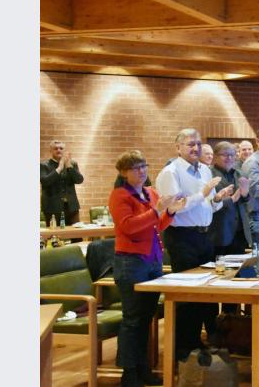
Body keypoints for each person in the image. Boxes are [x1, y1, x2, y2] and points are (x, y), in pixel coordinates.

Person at [155, 128, 234, 360]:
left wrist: (218, 199)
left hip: (204, 234)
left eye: (198, 144)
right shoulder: (170, 173)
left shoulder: (205, 170)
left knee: (207, 292)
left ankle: (202, 342)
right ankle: (183, 348)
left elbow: (207, 204)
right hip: (182, 237)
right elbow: (176, 208)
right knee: (189, 296)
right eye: (190, 144)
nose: (195, 148)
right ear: (177, 147)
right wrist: (204, 193)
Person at [108, 150, 185, 386]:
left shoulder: (150, 192)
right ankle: (128, 372)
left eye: (143, 166)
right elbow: (129, 227)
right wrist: (156, 210)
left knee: (146, 318)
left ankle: (142, 366)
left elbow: (156, 225)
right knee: (132, 319)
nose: (141, 171)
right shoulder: (120, 196)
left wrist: (170, 211)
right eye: (135, 168)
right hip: (130, 262)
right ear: (123, 172)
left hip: (152, 261)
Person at [209, 142, 252, 256]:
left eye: (232, 155)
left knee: (238, 270)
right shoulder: (209, 174)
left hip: (239, 231)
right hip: (219, 232)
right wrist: (232, 198)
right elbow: (209, 204)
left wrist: (245, 194)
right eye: (225, 155)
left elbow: (246, 200)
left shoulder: (239, 173)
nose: (229, 158)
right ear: (215, 156)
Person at [40, 139, 84, 225]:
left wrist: (69, 167)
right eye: (55, 148)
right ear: (51, 150)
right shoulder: (43, 165)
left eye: (61, 148)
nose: (58, 150)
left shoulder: (72, 163)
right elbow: (45, 181)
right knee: (54, 235)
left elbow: (79, 180)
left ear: (64, 150)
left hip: (71, 206)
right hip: (51, 206)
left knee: (76, 236)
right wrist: (59, 168)